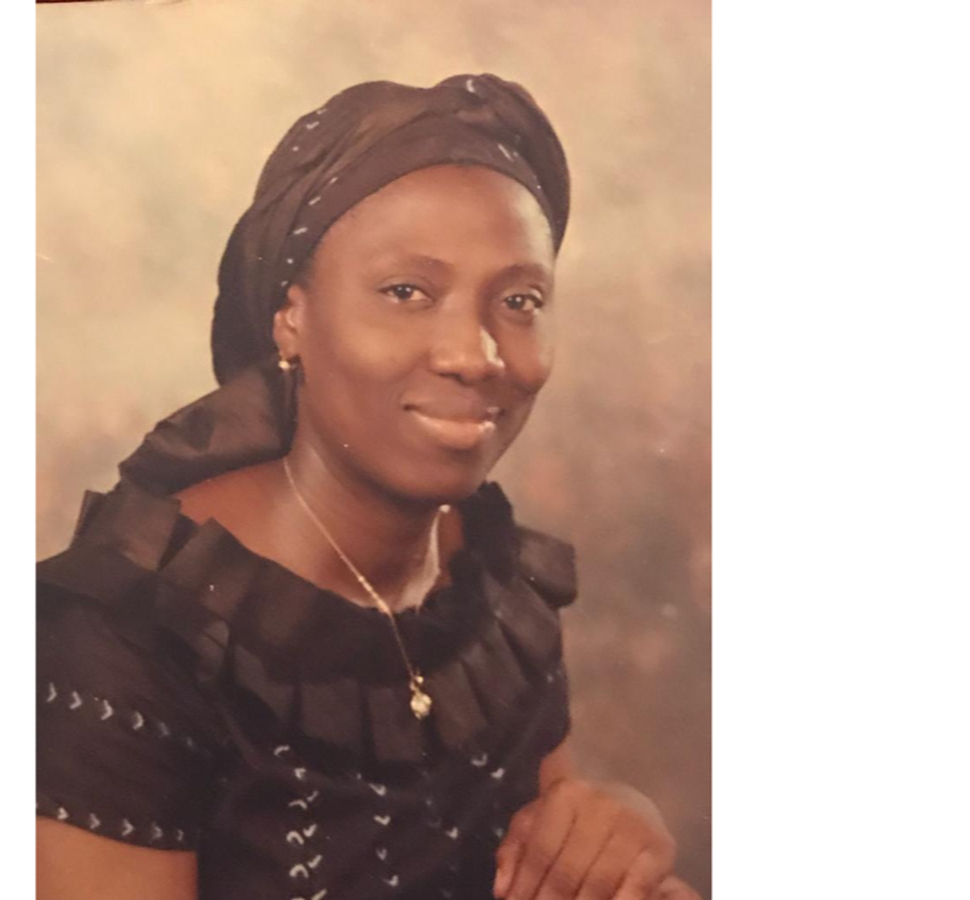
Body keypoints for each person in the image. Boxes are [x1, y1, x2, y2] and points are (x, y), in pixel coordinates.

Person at [36, 74, 699, 900]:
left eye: (519, 299)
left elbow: (558, 858)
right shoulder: (125, 639)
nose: (476, 354)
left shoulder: (495, 585)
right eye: (406, 293)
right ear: (291, 318)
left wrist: (617, 827)